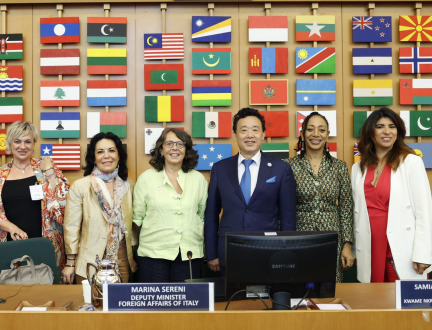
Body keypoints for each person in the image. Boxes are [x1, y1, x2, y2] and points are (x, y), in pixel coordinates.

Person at [351, 107, 432, 282]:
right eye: (380, 126)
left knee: (405, 303)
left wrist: (422, 253)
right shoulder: (358, 168)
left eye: (392, 126)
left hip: (403, 246)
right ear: (370, 132)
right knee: (373, 302)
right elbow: (355, 213)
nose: (387, 131)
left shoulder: (411, 162)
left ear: (399, 132)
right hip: (370, 246)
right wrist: (355, 250)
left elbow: (424, 212)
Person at [204, 107, 296, 273]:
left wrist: (286, 253)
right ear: (235, 135)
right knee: (231, 299)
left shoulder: (281, 169)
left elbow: (288, 218)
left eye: (255, 130)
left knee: (265, 298)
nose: (250, 135)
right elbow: (211, 214)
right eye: (244, 130)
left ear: (263, 134)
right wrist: (211, 253)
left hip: (269, 251)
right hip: (228, 251)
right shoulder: (220, 169)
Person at [0, 121, 69, 269]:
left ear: (34, 143)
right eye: (17, 141)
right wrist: (12, 228)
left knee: (47, 286)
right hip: (10, 241)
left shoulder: (46, 168)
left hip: (46, 243)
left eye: (27, 142)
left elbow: (63, 202)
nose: (22, 147)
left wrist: (50, 172)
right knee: (11, 288)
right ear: (10, 144)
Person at [284, 112, 354, 283]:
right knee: (298, 288)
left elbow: (345, 206)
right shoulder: (288, 166)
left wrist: (346, 244)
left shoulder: (339, 167)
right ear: (302, 133)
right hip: (298, 239)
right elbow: (282, 208)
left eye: (321, 130)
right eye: (310, 129)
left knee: (328, 290)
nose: (316, 134)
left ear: (327, 135)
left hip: (331, 240)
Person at [133, 128, 207, 283]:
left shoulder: (198, 179)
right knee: (154, 304)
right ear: (161, 149)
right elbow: (137, 218)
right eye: (169, 143)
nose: (175, 148)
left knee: (186, 304)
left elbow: (201, 215)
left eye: (180, 144)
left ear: (186, 150)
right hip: (153, 255)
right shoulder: (146, 178)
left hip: (189, 254)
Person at [62, 132, 136, 284]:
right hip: (90, 259)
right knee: (91, 304)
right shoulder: (81, 186)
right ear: (93, 158)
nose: (106, 156)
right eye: (100, 152)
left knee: (119, 305)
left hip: (122, 257)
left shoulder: (130, 185)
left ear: (119, 155)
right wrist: (70, 262)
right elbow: (72, 226)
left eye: (111, 150)